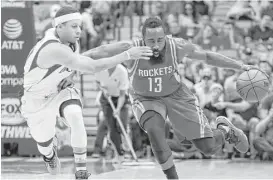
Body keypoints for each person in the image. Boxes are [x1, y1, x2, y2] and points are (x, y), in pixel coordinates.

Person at [95, 17, 262, 179]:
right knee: (155, 131)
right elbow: (101, 51)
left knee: (208, 148)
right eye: (151, 41)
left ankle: (226, 131)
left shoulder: (177, 46)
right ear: (143, 39)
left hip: (177, 96)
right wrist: (71, 61)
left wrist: (240, 66)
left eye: (159, 40)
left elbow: (207, 56)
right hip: (146, 98)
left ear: (165, 37)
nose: (156, 45)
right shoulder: (132, 48)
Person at [21, 6, 152, 179]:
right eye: (74, 26)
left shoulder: (68, 39)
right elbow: (93, 66)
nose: (79, 30)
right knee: (44, 143)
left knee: (75, 115)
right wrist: (128, 54)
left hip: (61, 89)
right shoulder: (52, 48)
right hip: (36, 100)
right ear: (59, 27)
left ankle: (81, 170)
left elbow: (97, 52)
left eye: (80, 26)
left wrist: (132, 44)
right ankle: (49, 155)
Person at [94, 64, 130, 163]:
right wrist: (103, 89)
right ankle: (119, 153)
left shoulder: (122, 71)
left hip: (121, 99)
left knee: (121, 124)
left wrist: (118, 109)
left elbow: (122, 95)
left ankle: (127, 151)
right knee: (112, 128)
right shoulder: (100, 68)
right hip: (106, 100)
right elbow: (97, 83)